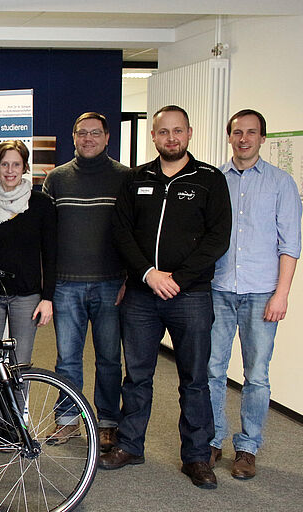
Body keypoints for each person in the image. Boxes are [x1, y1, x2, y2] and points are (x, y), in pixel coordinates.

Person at [102, 105, 232, 489]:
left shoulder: (209, 179)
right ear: (153, 136)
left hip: (190, 296)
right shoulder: (136, 179)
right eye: (163, 132)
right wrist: (148, 274)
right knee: (137, 376)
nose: (170, 138)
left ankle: (196, 456)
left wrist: (178, 278)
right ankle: (129, 445)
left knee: (194, 379)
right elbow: (121, 231)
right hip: (142, 295)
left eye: (178, 131)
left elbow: (217, 238)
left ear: (189, 133)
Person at [207, 109, 302, 480]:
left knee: (257, 374)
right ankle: (213, 439)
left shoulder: (281, 183)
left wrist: (282, 295)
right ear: (228, 137)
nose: (243, 139)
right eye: (237, 133)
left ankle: (247, 446)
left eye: (251, 133)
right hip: (218, 290)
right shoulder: (215, 180)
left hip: (262, 293)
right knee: (212, 369)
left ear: (263, 138)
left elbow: (290, 245)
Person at [42, 112, 130, 450]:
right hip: (67, 284)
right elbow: (47, 236)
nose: (88, 139)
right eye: (82, 133)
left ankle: (107, 421)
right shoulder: (57, 179)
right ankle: (67, 421)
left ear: (108, 137)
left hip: (111, 283)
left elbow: (134, 232)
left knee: (109, 357)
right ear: (74, 137)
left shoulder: (126, 177)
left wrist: (129, 279)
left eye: (95, 133)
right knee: (67, 359)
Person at [0, 139, 56, 442]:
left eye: (16, 164)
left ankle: (17, 426)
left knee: (20, 366)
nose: (10, 170)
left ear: (25, 167)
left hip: (27, 296)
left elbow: (51, 254)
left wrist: (48, 298)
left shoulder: (42, 204)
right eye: (4, 164)